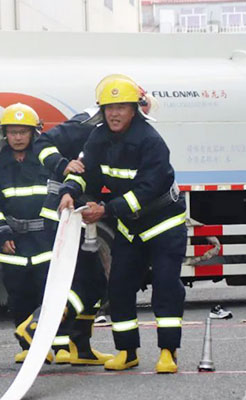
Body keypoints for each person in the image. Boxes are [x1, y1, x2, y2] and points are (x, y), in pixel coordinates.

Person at [58, 75, 187, 373]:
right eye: (109, 108)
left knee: (166, 287)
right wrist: (69, 191)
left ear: (134, 110)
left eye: (121, 108)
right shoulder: (98, 137)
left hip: (163, 224)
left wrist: (105, 210)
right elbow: (85, 171)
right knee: (119, 287)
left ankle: (168, 352)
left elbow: (147, 190)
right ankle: (127, 352)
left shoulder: (151, 141)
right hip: (130, 226)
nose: (114, 114)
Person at [15, 107, 113, 366]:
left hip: (77, 211)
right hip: (65, 214)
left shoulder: (111, 132)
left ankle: (80, 347)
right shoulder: (86, 123)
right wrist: (62, 164)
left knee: (95, 284)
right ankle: (36, 325)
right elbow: (43, 143)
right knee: (82, 282)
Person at [0, 103, 57, 364]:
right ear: (4, 134)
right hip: (13, 244)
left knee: (48, 294)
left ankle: (55, 345)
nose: (17, 137)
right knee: (19, 296)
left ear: (33, 133)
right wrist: (1, 232)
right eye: (12, 132)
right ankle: (28, 347)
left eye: (23, 132)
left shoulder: (47, 161)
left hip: (45, 241)